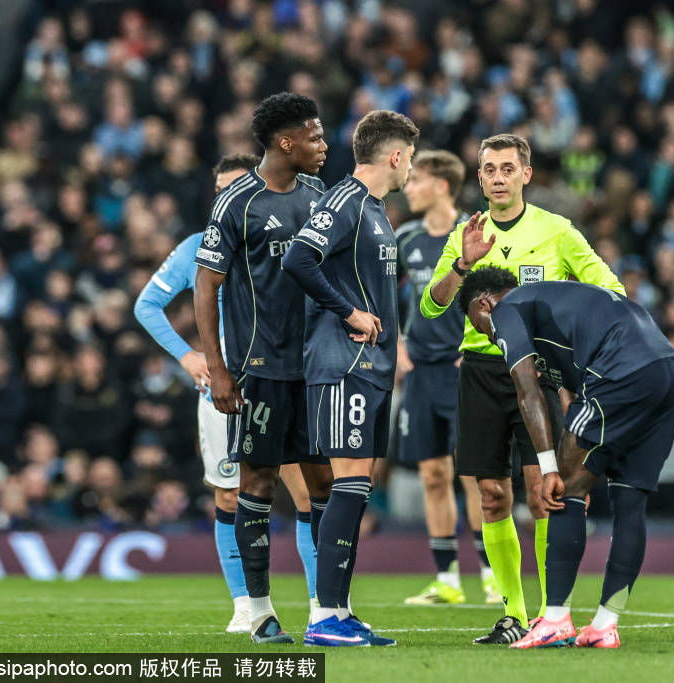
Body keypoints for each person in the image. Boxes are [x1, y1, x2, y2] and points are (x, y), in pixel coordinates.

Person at [420, 134, 624, 644]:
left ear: (526, 175)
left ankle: (553, 615)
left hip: (538, 372)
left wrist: (564, 324)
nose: (498, 178)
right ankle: (513, 614)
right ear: (480, 176)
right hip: (482, 373)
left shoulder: (557, 231)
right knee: (491, 496)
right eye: (489, 169)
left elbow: (612, 290)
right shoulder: (466, 233)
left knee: (543, 493)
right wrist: (462, 266)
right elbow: (431, 305)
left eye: (508, 168)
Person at [135, 152, 322, 633]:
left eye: (238, 185)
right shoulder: (197, 247)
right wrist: (187, 357)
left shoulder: (290, 238)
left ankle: (323, 603)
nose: (230, 195)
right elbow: (147, 305)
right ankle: (246, 606)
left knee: (308, 494)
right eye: (222, 189)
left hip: (286, 379)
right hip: (226, 388)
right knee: (231, 495)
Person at [458, 267, 674, 650]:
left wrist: (549, 468)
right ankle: (605, 625)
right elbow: (572, 387)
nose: (488, 336)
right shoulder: (555, 304)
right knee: (630, 499)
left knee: (563, 489)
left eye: (478, 326)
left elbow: (527, 391)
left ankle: (555, 620)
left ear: (483, 305)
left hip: (620, 371)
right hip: (668, 371)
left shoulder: (508, 309)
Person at [194, 93, 330, 644]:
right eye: (314, 137)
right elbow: (206, 287)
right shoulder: (236, 203)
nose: (323, 146)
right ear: (285, 142)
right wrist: (219, 368)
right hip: (262, 367)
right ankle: (259, 611)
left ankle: (329, 609)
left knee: (324, 483)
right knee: (257, 481)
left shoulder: (320, 197)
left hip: (317, 367)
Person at [281, 109, 419, 647]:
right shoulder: (344, 201)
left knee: (357, 488)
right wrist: (349, 312)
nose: (410, 168)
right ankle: (324, 617)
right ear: (395, 155)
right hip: (344, 363)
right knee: (349, 483)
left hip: (372, 365)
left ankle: (337, 610)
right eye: (410, 158)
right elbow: (299, 258)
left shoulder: (376, 210)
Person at [396, 150, 500, 606]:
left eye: (417, 180)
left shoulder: (474, 234)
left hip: (464, 370)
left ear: (442, 186)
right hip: (421, 371)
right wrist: (396, 344)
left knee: (473, 474)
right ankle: (447, 579)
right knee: (433, 474)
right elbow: (382, 295)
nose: (409, 188)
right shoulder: (405, 238)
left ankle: (493, 574)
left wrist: (481, 345)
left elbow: (498, 296)